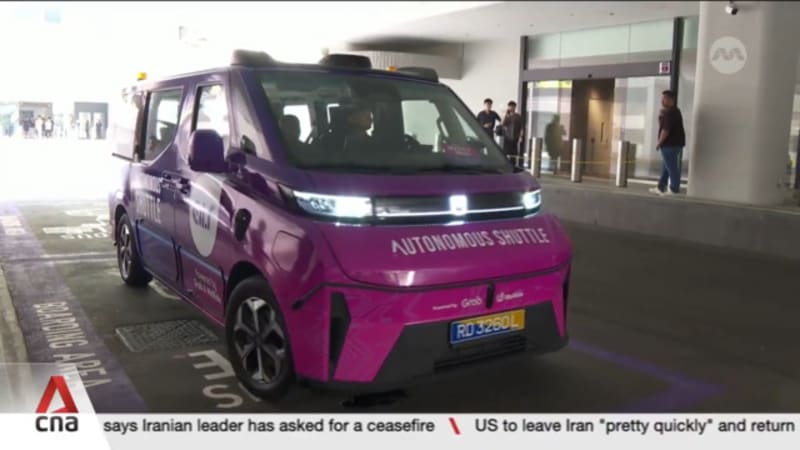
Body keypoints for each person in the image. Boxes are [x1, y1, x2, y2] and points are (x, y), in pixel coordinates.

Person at [649, 90, 686, 196]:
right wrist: (660, 117)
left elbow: (666, 130)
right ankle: (661, 187)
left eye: (664, 98)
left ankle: (674, 189)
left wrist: (659, 143)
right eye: (662, 98)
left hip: (670, 145)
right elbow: (663, 126)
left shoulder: (671, 112)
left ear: (670, 100)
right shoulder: (670, 112)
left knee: (672, 167)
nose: (662, 101)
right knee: (666, 167)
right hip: (673, 144)